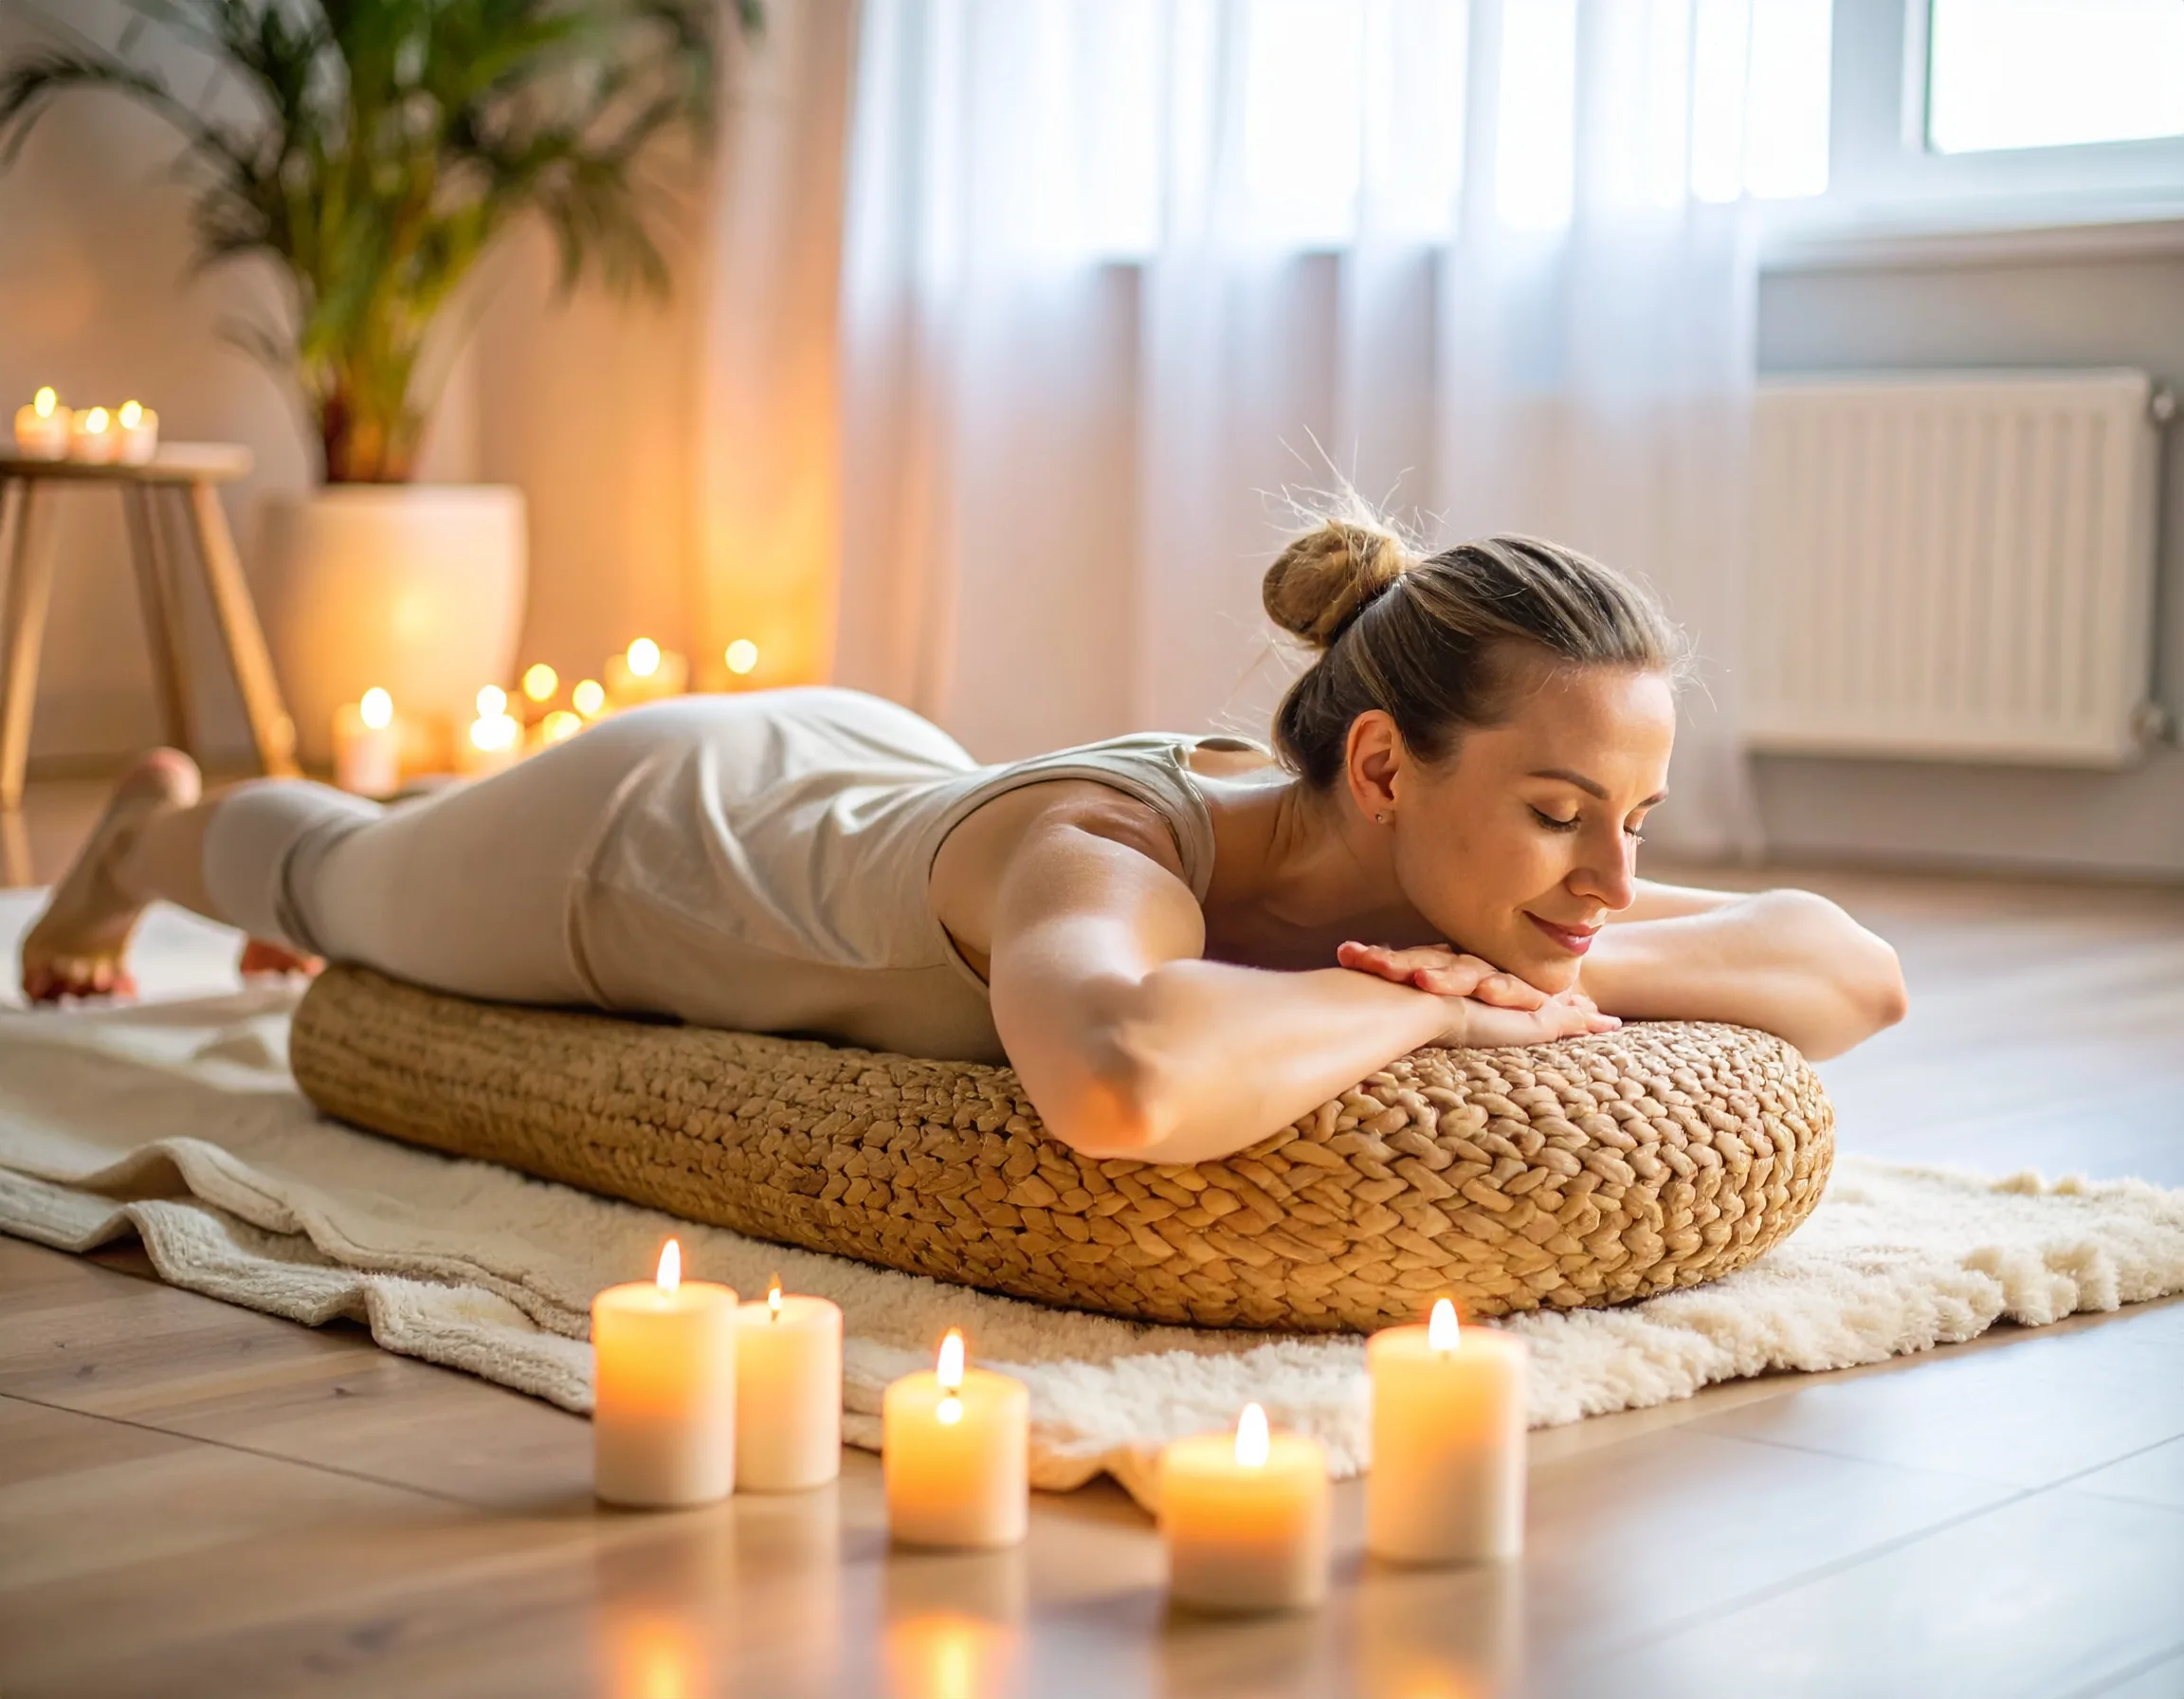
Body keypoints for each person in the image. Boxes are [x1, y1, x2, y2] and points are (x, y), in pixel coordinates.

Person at [20, 517, 1906, 1165]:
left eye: (1633, 825)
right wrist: (1433, 1007)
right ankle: (143, 838)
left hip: (879, 767)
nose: (1605, 874)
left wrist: (1538, 936)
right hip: (659, 844)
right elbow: (1118, 1080)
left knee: (367, 857)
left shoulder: (1473, 866)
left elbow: (1851, 969)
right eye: (1564, 817)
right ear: (1392, 770)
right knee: (343, 874)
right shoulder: (1109, 852)